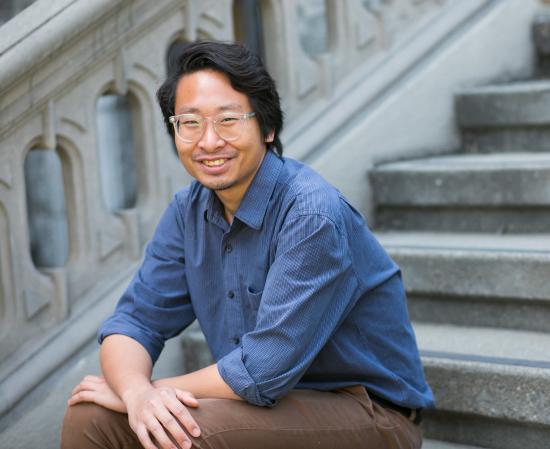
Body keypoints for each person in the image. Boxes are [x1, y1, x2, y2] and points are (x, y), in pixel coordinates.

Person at [61, 40, 434, 449]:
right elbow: (133, 323)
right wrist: (135, 394)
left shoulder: (311, 215)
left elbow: (261, 370)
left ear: (267, 128)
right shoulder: (189, 210)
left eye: (228, 120)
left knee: (186, 434)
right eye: (189, 122)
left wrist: (153, 391)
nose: (208, 141)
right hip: (265, 407)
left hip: (367, 413)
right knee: (91, 417)